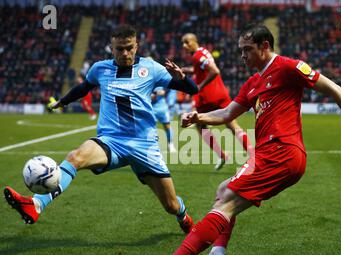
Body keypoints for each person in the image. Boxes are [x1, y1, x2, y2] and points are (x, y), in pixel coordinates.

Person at [128, 24, 341, 255]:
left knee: (226, 203)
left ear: (265, 46)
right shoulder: (252, 82)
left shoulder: (289, 67)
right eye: (240, 51)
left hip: (281, 152)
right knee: (224, 189)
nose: (243, 56)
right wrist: (197, 116)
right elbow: (227, 114)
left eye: (247, 50)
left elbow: (333, 88)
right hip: (270, 154)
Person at [4, 25, 198, 234]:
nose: (125, 53)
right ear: (111, 48)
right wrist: (63, 101)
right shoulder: (100, 69)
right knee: (75, 157)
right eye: (119, 49)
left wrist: (182, 78)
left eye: (129, 48)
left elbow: (192, 89)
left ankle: (183, 215)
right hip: (111, 141)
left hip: (145, 146)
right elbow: (83, 88)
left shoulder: (152, 69)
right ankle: (36, 205)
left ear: (136, 46)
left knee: (171, 205)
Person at [181, 33, 254, 170]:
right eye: (183, 43)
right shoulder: (203, 52)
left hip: (207, 97)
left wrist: (199, 87)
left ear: (194, 41)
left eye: (187, 42)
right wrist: (188, 70)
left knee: (199, 125)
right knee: (232, 125)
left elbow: (215, 71)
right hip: (220, 92)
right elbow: (203, 69)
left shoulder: (197, 55)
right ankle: (253, 154)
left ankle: (222, 155)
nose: (185, 45)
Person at [151, 86, 176, 152]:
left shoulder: (162, 79)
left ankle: (170, 144)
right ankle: (153, 146)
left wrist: (164, 93)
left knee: (167, 126)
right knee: (151, 128)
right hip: (151, 108)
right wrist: (154, 93)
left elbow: (166, 91)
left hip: (162, 108)